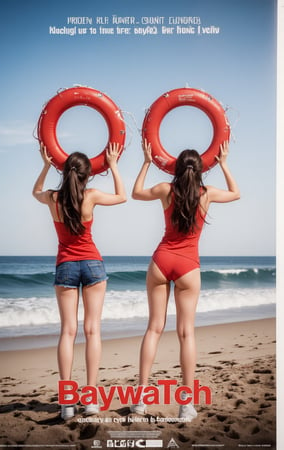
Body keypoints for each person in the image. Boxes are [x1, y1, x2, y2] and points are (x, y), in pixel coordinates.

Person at [131, 139, 240, 421]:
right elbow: (236, 193)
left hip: (161, 260)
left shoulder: (166, 190)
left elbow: (136, 193)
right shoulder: (207, 194)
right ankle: (186, 405)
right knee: (186, 333)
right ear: (202, 169)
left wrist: (145, 161)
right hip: (189, 267)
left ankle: (141, 400)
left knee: (154, 329)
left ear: (176, 168)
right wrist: (225, 163)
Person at [32, 142, 126, 419]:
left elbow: (34, 192)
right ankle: (91, 400)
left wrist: (46, 164)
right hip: (93, 265)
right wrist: (114, 164)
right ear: (88, 175)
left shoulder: (52, 198)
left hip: (65, 267)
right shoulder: (92, 196)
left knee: (68, 332)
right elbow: (122, 196)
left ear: (64, 172)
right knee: (93, 331)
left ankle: (66, 404)